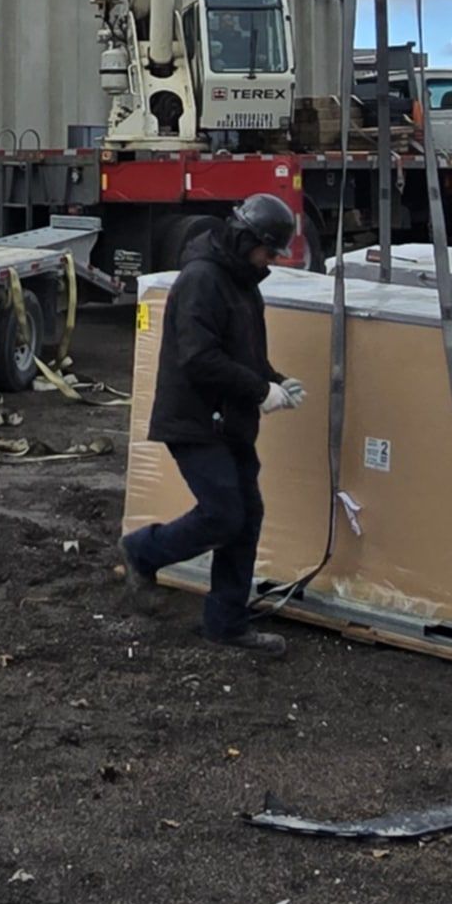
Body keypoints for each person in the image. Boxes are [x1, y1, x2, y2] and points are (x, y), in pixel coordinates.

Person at [121, 194, 304, 644]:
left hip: (230, 419)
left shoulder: (244, 281)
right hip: (194, 418)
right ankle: (142, 551)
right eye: (268, 251)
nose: (271, 261)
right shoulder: (202, 279)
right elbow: (199, 358)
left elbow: (244, 354)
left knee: (247, 516)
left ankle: (226, 625)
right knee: (224, 515)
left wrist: (275, 380)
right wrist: (261, 391)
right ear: (246, 239)